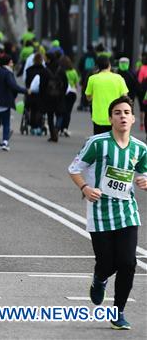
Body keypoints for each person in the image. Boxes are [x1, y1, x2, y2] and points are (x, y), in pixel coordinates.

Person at [68, 95, 147, 331]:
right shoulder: (97, 143)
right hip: (100, 212)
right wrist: (85, 188)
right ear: (110, 118)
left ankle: (118, 312)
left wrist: (145, 180)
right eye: (117, 113)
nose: (122, 116)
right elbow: (74, 169)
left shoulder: (140, 148)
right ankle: (99, 278)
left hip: (126, 211)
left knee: (128, 263)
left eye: (126, 113)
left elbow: (143, 171)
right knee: (106, 263)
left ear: (133, 119)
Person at [0, 54, 26, 150]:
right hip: (4, 102)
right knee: (6, 123)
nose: (12, 64)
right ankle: (5, 142)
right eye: (11, 62)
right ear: (8, 63)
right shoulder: (8, 73)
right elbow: (13, 86)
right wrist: (26, 91)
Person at [85, 56, 129, 134]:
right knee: (115, 139)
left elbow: (88, 97)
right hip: (115, 116)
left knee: (100, 139)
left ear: (97, 66)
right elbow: (125, 96)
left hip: (98, 117)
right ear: (109, 65)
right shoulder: (119, 78)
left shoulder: (92, 79)